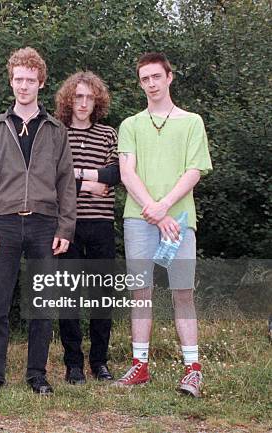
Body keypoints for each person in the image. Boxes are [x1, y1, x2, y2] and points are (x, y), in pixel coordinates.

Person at [0, 47, 77, 398]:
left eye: (30, 80)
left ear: (41, 83)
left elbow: (66, 181)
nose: (24, 86)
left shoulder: (55, 130)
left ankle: (37, 375)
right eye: (18, 79)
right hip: (2, 224)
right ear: (11, 81)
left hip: (44, 225)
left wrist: (66, 227)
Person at [116, 52, 212, 398]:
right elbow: (127, 172)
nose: (151, 84)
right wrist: (153, 210)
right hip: (138, 218)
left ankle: (192, 370)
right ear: (140, 82)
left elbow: (194, 170)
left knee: (182, 293)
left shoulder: (191, 122)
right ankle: (140, 366)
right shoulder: (131, 125)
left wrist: (165, 208)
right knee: (141, 292)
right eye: (145, 79)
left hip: (179, 219)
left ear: (169, 77)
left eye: (157, 76)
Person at [54, 71, 119, 384]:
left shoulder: (108, 134)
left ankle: (99, 362)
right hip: (67, 225)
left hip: (102, 225)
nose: (83, 103)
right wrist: (91, 178)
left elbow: (113, 177)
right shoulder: (57, 133)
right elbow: (55, 180)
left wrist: (77, 176)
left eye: (89, 97)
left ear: (97, 101)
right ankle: (73, 364)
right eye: (77, 96)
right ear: (69, 99)